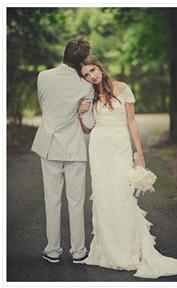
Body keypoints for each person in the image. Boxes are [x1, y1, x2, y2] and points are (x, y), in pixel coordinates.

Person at [76, 55, 177, 278]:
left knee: (121, 194)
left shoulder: (123, 88)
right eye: (86, 75)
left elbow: (131, 122)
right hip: (99, 147)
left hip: (119, 146)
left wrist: (139, 152)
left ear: (99, 67)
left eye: (93, 71)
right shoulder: (89, 95)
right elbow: (87, 129)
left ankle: (128, 249)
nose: (92, 76)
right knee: (103, 195)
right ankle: (106, 249)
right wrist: (81, 114)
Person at [31, 37, 94, 264]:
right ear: (82, 60)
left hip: (49, 144)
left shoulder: (43, 77)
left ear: (64, 54)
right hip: (75, 147)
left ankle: (53, 250)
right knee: (76, 201)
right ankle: (78, 251)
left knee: (52, 199)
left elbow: (44, 106)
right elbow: (88, 123)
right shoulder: (86, 85)